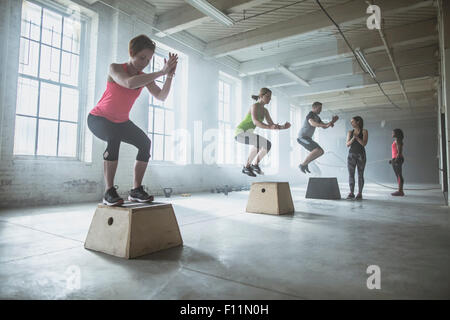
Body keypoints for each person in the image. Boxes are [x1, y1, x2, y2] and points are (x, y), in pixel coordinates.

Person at [87, 34, 178, 206]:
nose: (144, 63)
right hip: (98, 118)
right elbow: (129, 83)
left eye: (148, 60)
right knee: (113, 137)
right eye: (141, 57)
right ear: (131, 53)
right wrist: (160, 71)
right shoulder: (115, 68)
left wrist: (169, 76)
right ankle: (108, 191)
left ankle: (136, 190)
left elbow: (161, 96)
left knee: (145, 143)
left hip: (121, 121)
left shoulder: (144, 77)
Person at [235, 88, 290, 177]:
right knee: (264, 144)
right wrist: (269, 127)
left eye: (270, 97)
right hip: (240, 132)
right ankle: (252, 166)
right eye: (267, 96)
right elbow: (255, 122)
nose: (269, 99)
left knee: (264, 145)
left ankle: (249, 166)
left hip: (248, 133)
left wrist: (283, 127)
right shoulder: (255, 106)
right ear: (261, 96)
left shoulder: (265, 111)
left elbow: (272, 125)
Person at [297, 101, 338, 173]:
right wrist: (325, 125)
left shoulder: (317, 117)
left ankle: (305, 164)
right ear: (314, 108)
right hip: (302, 138)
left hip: (308, 138)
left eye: (321, 108)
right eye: (319, 108)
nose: (320, 110)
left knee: (320, 151)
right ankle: (302, 165)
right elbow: (312, 123)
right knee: (317, 150)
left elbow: (325, 126)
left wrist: (332, 121)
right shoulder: (310, 114)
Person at [346, 116, 368, 200]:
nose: (351, 123)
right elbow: (347, 144)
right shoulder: (349, 132)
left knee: (360, 174)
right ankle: (351, 193)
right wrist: (353, 138)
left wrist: (357, 137)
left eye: (353, 121)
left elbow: (364, 144)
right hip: (351, 154)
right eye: (351, 122)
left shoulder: (364, 131)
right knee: (351, 174)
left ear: (358, 122)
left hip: (361, 155)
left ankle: (359, 193)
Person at [390, 128, 405, 196]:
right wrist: (392, 159)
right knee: (398, 175)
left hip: (398, 159)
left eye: (393, 133)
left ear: (396, 134)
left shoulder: (398, 140)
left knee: (399, 175)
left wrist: (396, 159)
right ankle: (400, 190)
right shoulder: (397, 140)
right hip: (396, 159)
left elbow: (399, 151)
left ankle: (400, 191)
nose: (392, 134)